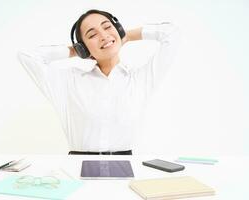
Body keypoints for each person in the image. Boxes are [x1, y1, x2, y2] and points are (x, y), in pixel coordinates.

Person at [17, 9, 180, 155]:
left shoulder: (140, 79)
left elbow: (170, 33)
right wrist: (75, 51)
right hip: (77, 166)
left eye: (107, 27)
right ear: (84, 47)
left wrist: (126, 35)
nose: (103, 36)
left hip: (124, 166)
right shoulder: (68, 82)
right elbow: (27, 56)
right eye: (92, 35)